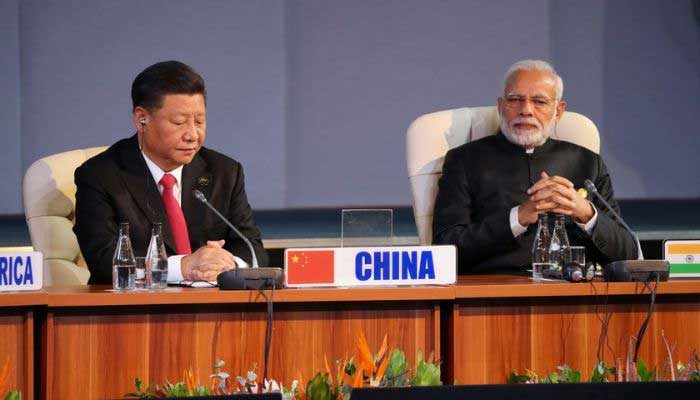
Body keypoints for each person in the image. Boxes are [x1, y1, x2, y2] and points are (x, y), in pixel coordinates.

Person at [432, 59, 637, 274]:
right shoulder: (464, 161)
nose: (526, 110)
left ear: (558, 111)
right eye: (515, 100)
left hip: (574, 294)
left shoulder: (587, 162)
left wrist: (585, 212)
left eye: (539, 101)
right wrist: (518, 217)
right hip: (493, 295)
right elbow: (445, 250)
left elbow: (628, 254)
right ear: (501, 106)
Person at [74, 60, 268, 284]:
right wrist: (183, 267)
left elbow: (253, 250)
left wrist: (229, 265)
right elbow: (104, 263)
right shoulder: (101, 176)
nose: (193, 135)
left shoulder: (224, 172)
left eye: (200, 121)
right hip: (135, 313)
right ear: (142, 119)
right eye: (179, 122)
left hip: (212, 310)